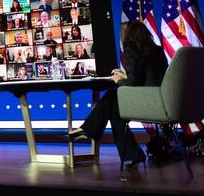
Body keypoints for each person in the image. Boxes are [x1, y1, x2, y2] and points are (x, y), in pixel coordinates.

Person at [68, 20, 168, 167]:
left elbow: (134, 84)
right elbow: (144, 77)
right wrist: (124, 76)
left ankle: (88, 129)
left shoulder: (131, 49)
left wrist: (117, 81)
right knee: (115, 109)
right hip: (160, 100)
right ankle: (132, 154)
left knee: (111, 96)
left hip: (148, 103)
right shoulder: (156, 50)